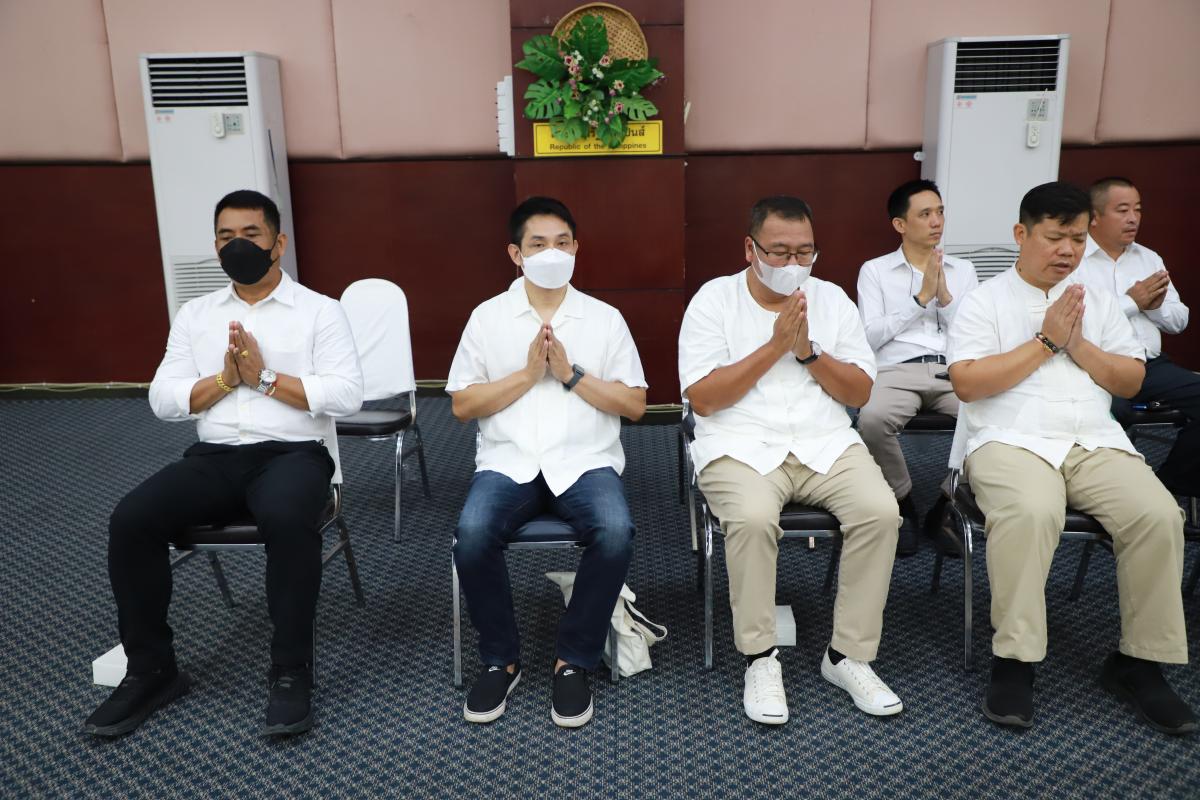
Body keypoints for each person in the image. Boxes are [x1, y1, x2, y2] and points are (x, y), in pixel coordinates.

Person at [84, 190, 364, 737]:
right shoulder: (197, 314)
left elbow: (347, 394)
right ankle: (152, 671)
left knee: (287, 518)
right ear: (215, 247)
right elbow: (163, 399)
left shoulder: (320, 310)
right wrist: (224, 380)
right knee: (132, 519)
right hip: (214, 458)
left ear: (279, 243)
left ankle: (291, 670)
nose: (237, 245)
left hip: (293, 455)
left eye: (251, 234)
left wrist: (263, 378)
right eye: (226, 236)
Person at [947, 181, 1194, 734]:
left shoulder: (1098, 300)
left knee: (1158, 515)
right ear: (1021, 234)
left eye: (1078, 239)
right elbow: (967, 383)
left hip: (1092, 438)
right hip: (1008, 438)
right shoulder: (985, 300)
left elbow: (1129, 380)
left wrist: (1076, 343)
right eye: (1055, 237)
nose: (1067, 250)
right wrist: (1045, 342)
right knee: (1031, 511)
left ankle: (1139, 662)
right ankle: (1015, 659)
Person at [679, 195, 903, 725]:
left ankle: (847, 656)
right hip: (738, 443)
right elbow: (703, 399)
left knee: (881, 512)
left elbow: (859, 392)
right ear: (750, 248)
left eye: (805, 252)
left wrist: (808, 353)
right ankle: (760, 658)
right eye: (779, 252)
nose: (793, 264)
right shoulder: (713, 301)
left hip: (824, 441)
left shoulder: (833, 300)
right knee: (754, 518)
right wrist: (775, 346)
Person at [447, 196, 646, 729]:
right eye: (538, 244)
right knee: (472, 534)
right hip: (508, 461)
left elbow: (634, 405)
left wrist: (570, 375)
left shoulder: (604, 319)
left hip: (585, 461)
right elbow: (462, 405)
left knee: (615, 531)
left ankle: (573, 660)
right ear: (515, 254)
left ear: (577, 248)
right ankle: (501, 659)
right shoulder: (487, 317)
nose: (552, 253)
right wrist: (528, 375)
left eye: (562, 243)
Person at [856, 180, 979, 555]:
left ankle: (945, 503)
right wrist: (920, 299)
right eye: (925, 214)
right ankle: (903, 502)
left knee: (993, 420)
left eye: (939, 212)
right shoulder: (875, 271)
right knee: (871, 420)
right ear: (900, 224)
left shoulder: (964, 270)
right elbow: (868, 337)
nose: (936, 221)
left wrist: (945, 298)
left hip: (953, 370)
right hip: (896, 370)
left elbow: (976, 333)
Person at [1078, 176, 1197, 496]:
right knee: (1110, 412)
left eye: (1138, 209)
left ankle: (1167, 485)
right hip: (1098, 367)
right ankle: (1105, 493)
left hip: (1151, 365)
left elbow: (1179, 321)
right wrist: (1133, 303)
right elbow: (1076, 324)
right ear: (1094, 217)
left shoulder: (1148, 258)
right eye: (1122, 210)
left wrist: (1155, 308)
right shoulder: (1074, 260)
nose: (1133, 218)